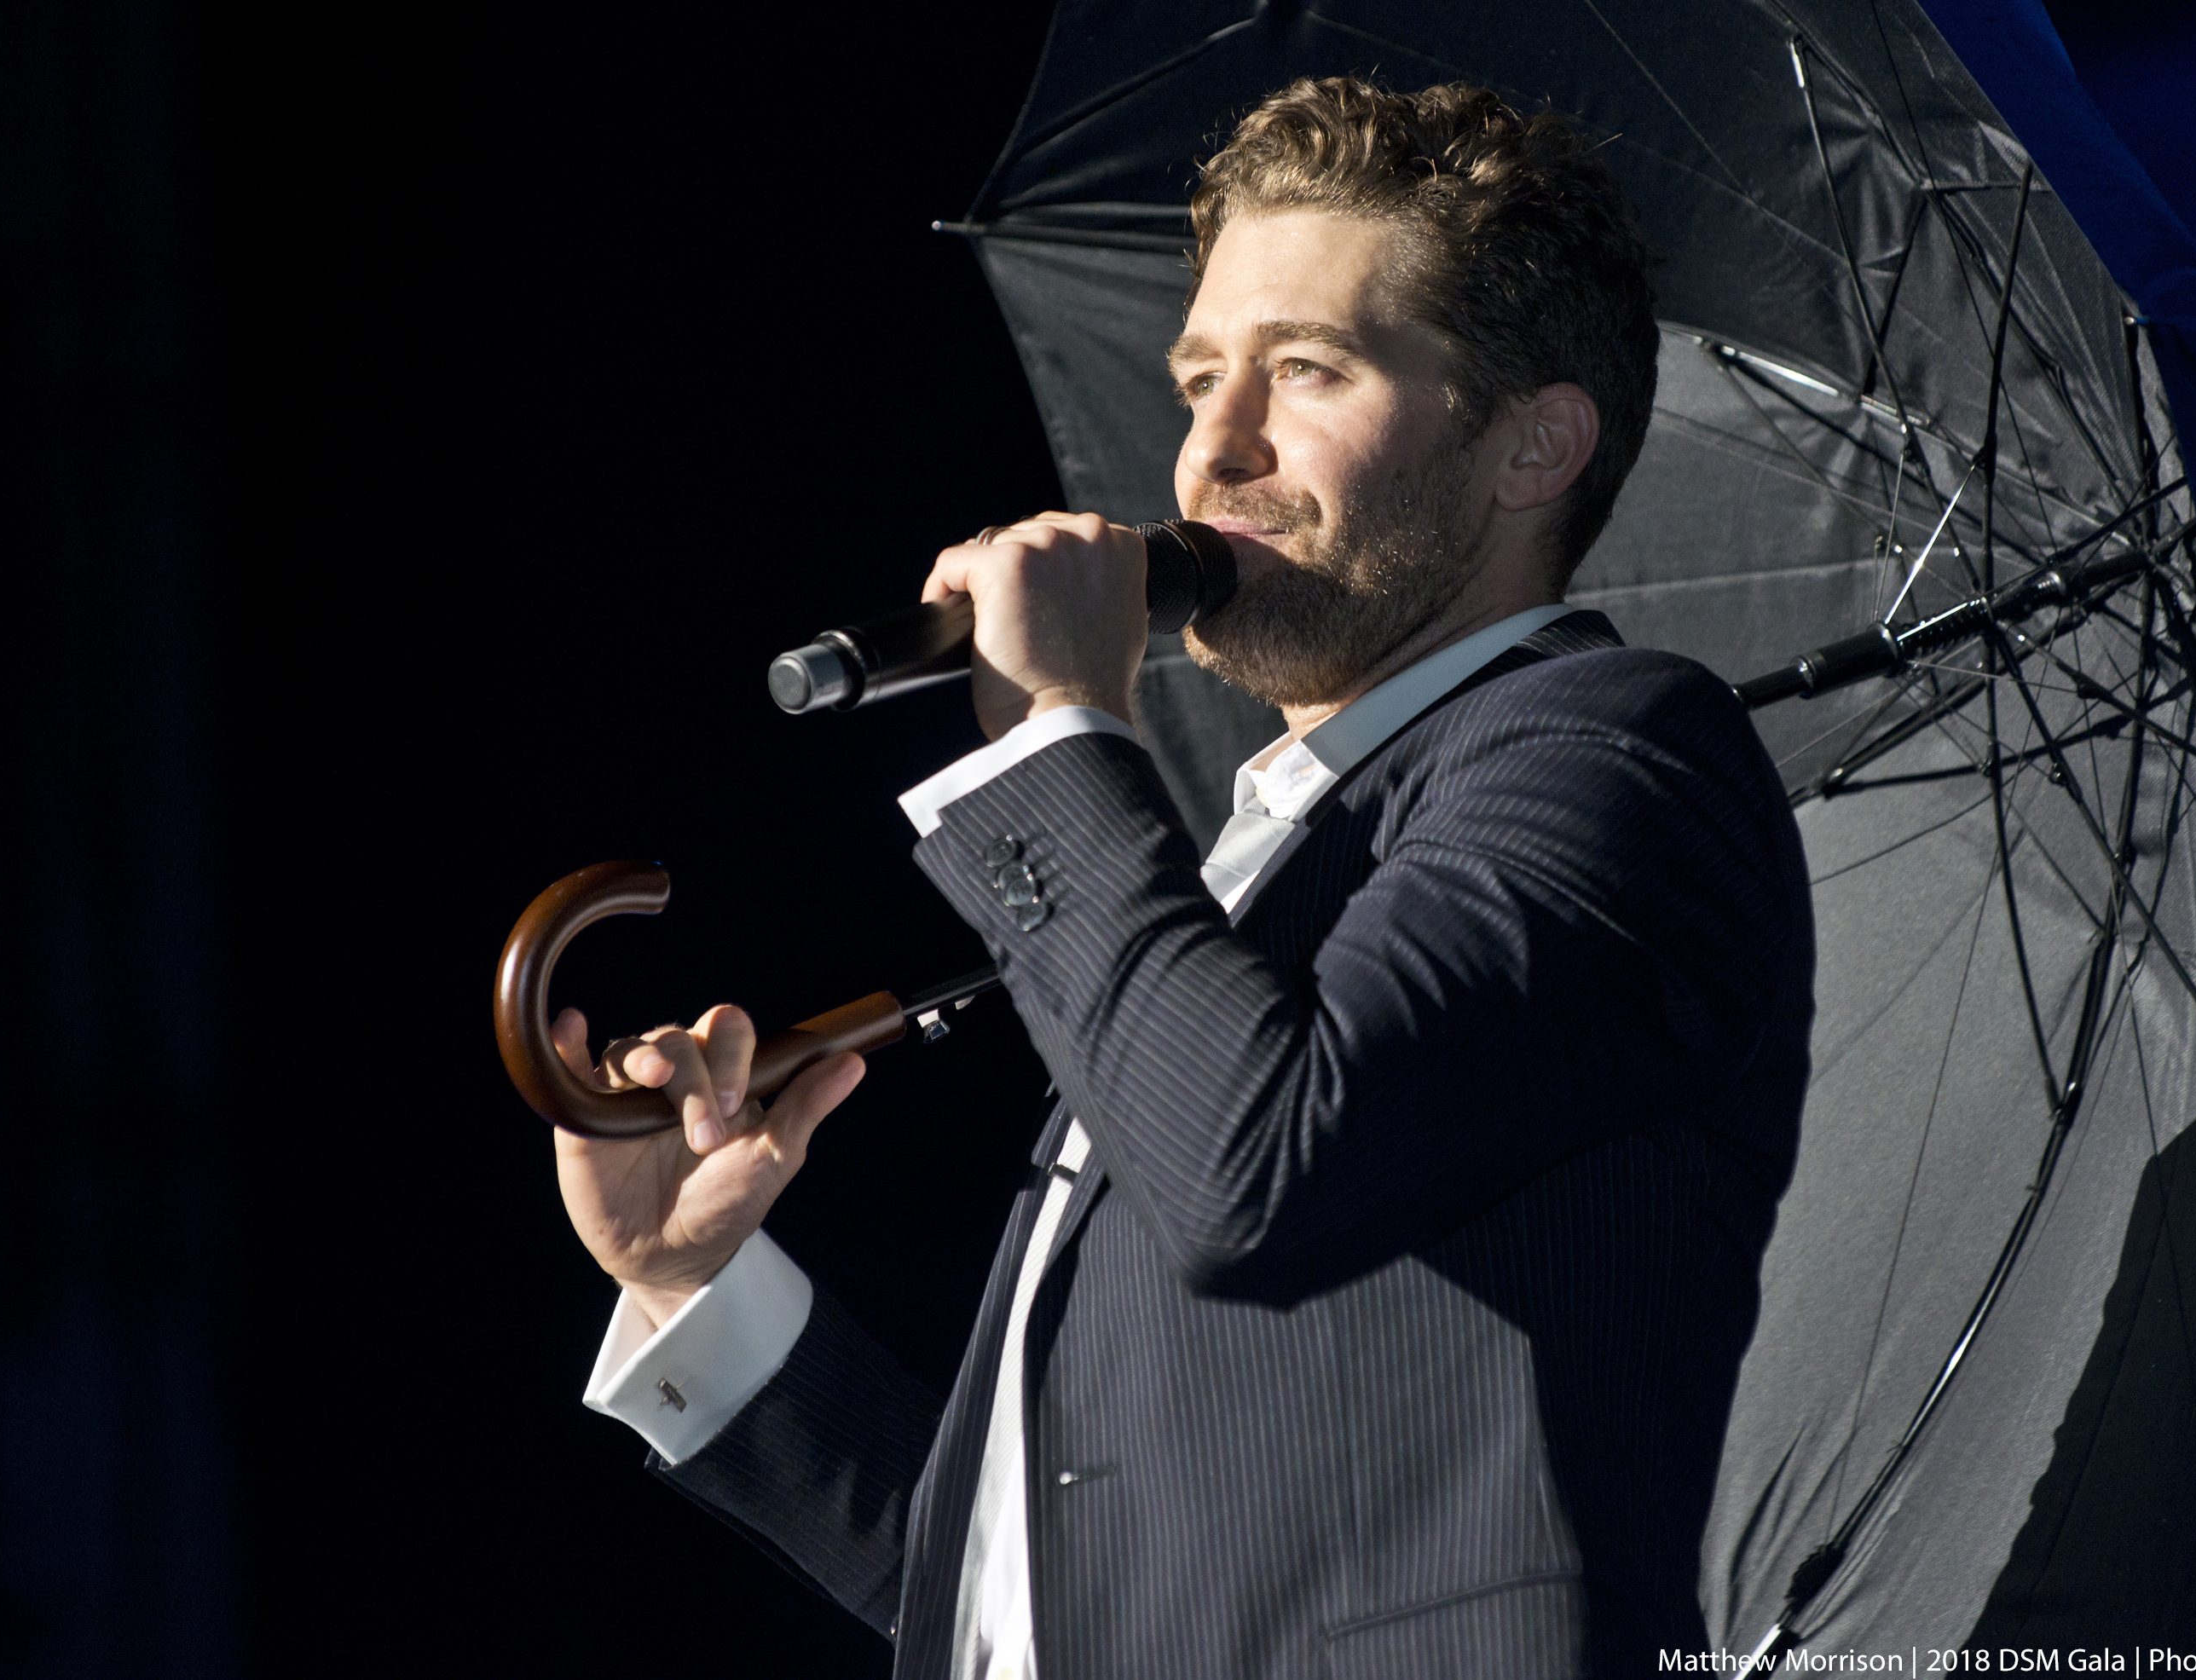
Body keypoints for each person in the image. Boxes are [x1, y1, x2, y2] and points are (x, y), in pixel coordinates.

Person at [548, 78, 1814, 1678]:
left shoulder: (1615, 755)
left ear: (1531, 445)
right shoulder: (1262, 848)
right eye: (1200, 376)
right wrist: (700, 1286)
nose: (1212, 451)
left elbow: (1253, 1176)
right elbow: (1058, 1569)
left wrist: (1052, 742)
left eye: (1307, 370)